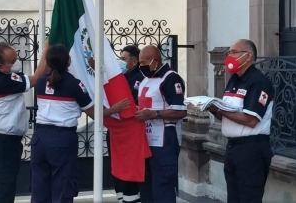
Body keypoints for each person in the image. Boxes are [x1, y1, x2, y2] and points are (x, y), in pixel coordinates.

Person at [30, 44, 130, 203]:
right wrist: (114, 109)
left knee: (40, 187)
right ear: (68, 61)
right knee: (63, 187)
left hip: (39, 139)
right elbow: (94, 114)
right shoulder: (75, 85)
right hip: (61, 139)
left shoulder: (41, 82)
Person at [207, 39, 274, 203]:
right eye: (229, 52)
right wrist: (213, 108)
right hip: (233, 147)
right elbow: (228, 116)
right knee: (234, 197)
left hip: (251, 150)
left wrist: (220, 109)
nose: (229, 56)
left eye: (234, 52)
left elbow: (251, 120)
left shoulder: (258, 82)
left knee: (249, 198)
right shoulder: (234, 80)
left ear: (248, 56)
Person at [0, 42, 48, 203]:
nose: (16, 62)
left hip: (6, 143)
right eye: (12, 61)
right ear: (0, 66)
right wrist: (47, 49)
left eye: (16, 56)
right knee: (1, 191)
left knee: (6, 187)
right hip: (1, 144)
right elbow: (36, 79)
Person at [135, 45, 187, 203]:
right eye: (139, 62)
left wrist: (154, 114)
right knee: (146, 188)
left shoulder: (171, 78)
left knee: (162, 187)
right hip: (145, 141)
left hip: (165, 141)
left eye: (144, 62)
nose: (141, 66)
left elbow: (181, 111)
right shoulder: (145, 80)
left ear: (155, 61)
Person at [107, 45, 144, 203]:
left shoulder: (139, 78)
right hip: (116, 130)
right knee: (116, 167)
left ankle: (130, 197)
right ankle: (121, 197)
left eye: (123, 60)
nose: (119, 63)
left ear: (134, 62)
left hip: (131, 131)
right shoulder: (120, 77)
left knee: (129, 171)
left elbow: (131, 102)